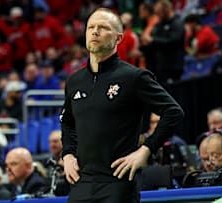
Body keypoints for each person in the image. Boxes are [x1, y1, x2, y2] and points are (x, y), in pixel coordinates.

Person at [61, 8, 184, 203]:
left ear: (119, 38)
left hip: (119, 183)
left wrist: (146, 150)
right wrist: (67, 154)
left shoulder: (133, 77)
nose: (95, 31)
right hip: (81, 183)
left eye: (103, 28)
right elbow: (67, 122)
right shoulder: (74, 81)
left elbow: (174, 112)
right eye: (91, 27)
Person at [145, 0, 185, 83]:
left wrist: (153, 40)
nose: (158, 15)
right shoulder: (159, 24)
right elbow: (153, 38)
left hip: (174, 66)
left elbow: (173, 41)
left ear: (167, 10)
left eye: (159, 12)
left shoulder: (177, 23)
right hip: (161, 66)